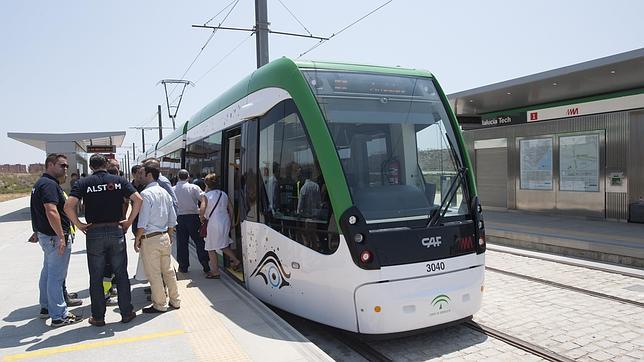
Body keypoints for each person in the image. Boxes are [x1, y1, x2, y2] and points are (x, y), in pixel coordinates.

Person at [64, 153, 142, 326]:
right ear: (106, 165)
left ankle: (98, 317)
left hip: (94, 232)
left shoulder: (83, 183)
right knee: (121, 274)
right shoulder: (118, 181)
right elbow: (138, 199)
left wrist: (79, 224)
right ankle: (127, 313)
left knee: (96, 276)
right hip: (116, 230)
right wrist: (129, 221)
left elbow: (68, 205)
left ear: (91, 167)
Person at [31, 153, 82, 327]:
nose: (66, 169)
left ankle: (46, 307)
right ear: (50, 165)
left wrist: (36, 230)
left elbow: (36, 210)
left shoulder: (41, 183)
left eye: (66, 166)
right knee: (56, 276)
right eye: (62, 165)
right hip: (54, 238)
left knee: (47, 272)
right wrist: (61, 236)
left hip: (47, 236)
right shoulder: (49, 185)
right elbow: (50, 211)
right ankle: (59, 315)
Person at [134, 162, 180, 313]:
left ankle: (159, 304)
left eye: (142, 174)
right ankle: (175, 300)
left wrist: (137, 239)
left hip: (150, 238)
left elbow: (143, 220)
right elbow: (172, 218)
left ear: (149, 175)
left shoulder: (146, 194)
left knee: (154, 273)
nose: (140, 176)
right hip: (164, 236)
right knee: (168, 271)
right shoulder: (165, 193)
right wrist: (170, 235)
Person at [199, 173, 241, 279]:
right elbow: (231, 209)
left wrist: (201, 218)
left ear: (206, 185)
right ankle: (236, 261)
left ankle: (215, 271)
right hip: (224, 221)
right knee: (223, 244)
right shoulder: (224, 194)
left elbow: (202, 208)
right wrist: (230, 222)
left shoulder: (206, 196)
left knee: (210, 248)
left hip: (213, 223)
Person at [173, 169, 211, 274]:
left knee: (182, 243)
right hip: (193, 217)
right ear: (188, 177)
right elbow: (203, 198)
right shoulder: (194, 187)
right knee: (199, 241)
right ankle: (205, 263)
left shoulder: (173, 189)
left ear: (177, 177)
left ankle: (183, 266)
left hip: (179, 218)